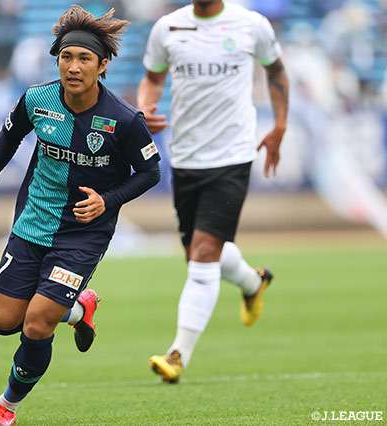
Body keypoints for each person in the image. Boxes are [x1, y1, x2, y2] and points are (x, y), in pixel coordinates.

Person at [0, 6, 161, 425]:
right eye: (66, 57)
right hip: (34, 220)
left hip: (83, 234)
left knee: (37, 324)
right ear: (57, 61)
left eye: (84, 58)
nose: (74, 67)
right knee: (4, 321)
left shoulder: (124, 119)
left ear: (102, 65)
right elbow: (8, 138)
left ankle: (5, 408)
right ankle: (77, 309)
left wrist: (109, 200)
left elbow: (150, 172)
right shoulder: (37, 99)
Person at [137, 0, 289, 383]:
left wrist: (280, 125)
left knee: (204, 255)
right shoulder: (167, 28)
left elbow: (276, 70)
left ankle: (177, 355)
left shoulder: (250, 24)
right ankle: (254, 282)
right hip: (186, 157)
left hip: (232, 157)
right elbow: (153, 77)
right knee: (199, 254)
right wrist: (144, 107)